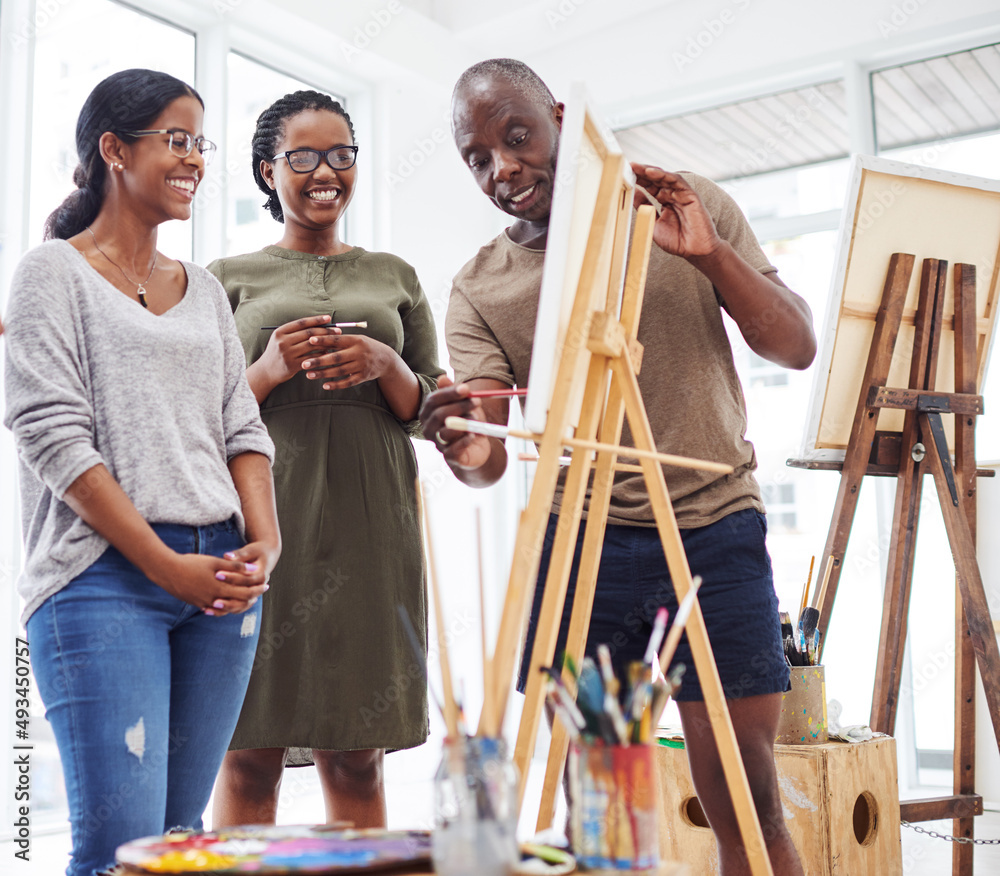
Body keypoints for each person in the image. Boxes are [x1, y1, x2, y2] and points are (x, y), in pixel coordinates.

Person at [419, 59, 817, 876]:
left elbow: (796, 345)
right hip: (582, 544)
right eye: (478, 157)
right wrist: (460, 439)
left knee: (746, 793)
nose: (503, 168)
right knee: (598, 806)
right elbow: (490, 456)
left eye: (518, 136)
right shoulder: (480, 287)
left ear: (562, 116)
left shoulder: (678, 205)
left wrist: (709, 256)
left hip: (716, 525)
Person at [3, 69, 279, 876]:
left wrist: (268, 539)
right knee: (115, 851)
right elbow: (54, 438)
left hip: (224, 575)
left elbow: (242, 425)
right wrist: (163, 566)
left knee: (182, 843)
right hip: (100, 578)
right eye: (176, 139)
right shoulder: (51, 273)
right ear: (114, 150)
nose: (194, 158)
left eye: (201, 142)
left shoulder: (204, 293)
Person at [208, 91, 444, 830]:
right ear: (265, 170)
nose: (325, 172)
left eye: (341, 154)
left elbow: (434, 408)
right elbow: (194, 414)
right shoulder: (223, 278)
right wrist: (269, 369)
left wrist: (386, 364)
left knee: (355, 751)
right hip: (259, 527)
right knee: (248, 749)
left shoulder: (395, 275)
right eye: (302, 157)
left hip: (374, 526)